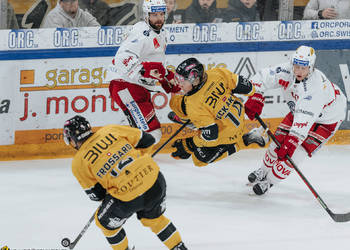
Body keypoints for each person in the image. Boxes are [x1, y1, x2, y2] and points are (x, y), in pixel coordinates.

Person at [63, 115, 188, 250]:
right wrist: (138, 161)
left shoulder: (78, 163)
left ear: (72, 139)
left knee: (104, 223)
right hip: (154, 179)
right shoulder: (109, 130)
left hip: (127, 197)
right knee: (155, 219)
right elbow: (148, 140)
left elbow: (97, 195)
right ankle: (179, 247)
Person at [244, 45, 347, 195]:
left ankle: (269, 182)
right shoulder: (287, 70)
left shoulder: (315, 89)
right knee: (275, 145)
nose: (298, 71)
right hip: (299, 112)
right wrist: (255, 94)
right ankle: (263, 171)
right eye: (296, 66)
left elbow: (302, 123)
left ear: (311, 67)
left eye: (303, 68)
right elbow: (262, 77)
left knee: (293, 155)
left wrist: (291, 142)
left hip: (326, 120)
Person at [169, 57, 269, 167]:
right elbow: (248, 87)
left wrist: (190, 144)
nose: (179, 83)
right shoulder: (217, 73)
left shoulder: (194, 104)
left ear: (195, 78)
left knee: (199, 159)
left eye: (182, 80)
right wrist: (255, 96)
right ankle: (195, 122)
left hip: (228, 134)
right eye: (178, 79)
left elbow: (211, 136)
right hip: (237, 116)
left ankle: (244, 141)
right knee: (182, 106)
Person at [107, 0, 180, 148]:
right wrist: (144, 70)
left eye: (161, 14)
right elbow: (122, 58)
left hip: (138, 88)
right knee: (152, 133)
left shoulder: (162, 32)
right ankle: (120, 155)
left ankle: (124, 154)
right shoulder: (140, 31)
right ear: (146, 15)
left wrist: (166, 77)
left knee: (143, 131)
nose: (159, 18)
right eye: (154, 15)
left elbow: (154, 62)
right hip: (125, 85)